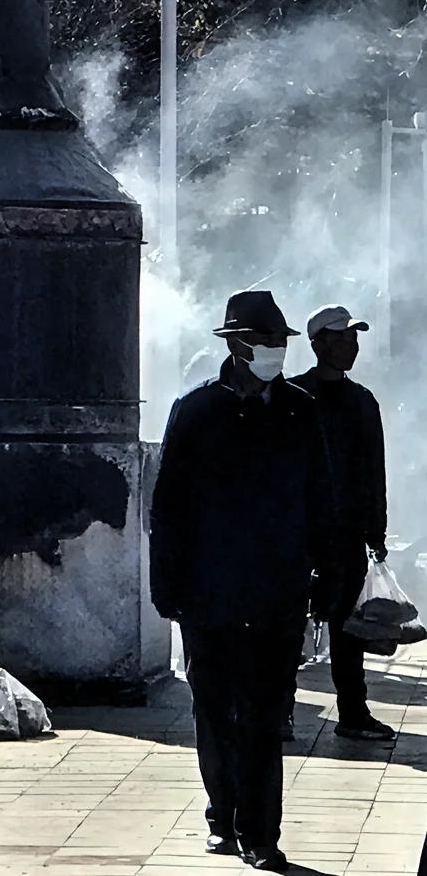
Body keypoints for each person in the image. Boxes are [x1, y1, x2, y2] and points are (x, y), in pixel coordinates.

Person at [150, 289, 338, 874]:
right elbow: (169, 509)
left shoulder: (300, 411)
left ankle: (261, 832)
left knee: (263, 715)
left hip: (279, 589)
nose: (275, 353)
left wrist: (326, 584)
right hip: (209, 592)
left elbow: (320, 502)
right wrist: (169, 588)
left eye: (281, 343)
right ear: (235, 346)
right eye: (265, 343)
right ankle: (221, 814)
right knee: (215, 708)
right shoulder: (196, 411)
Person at [289, 305, 394, 743]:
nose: (350, 346)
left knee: (347, 631)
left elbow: (374, 471)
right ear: (318, 344)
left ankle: (353, 711)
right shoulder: (293, 397)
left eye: (353, 338)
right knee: (286, 625)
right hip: (295, 534)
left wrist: (376, 532)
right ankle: (279, 711)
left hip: (347, 534)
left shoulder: (361, 401)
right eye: (341, 338)